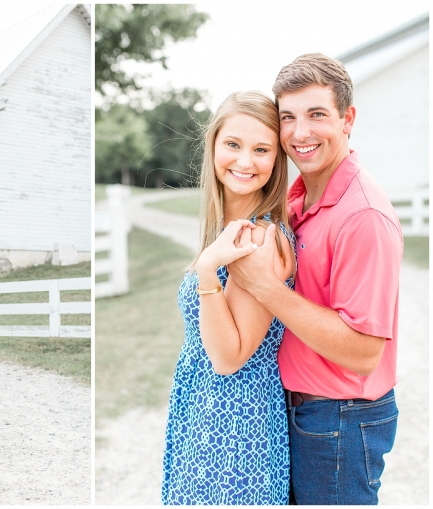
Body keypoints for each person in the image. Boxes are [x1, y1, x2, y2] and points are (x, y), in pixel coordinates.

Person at [228, 53, 402, 505]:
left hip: (340, 419)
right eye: (288, 118)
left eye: (317, 115)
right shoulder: (300, 196)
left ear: (348, 119)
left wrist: (266, 287)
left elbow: (364, 353)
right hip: (306, 411)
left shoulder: (363, 216)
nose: (300, 133)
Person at [162, 91, 296, 505]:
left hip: (235, 427)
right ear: (214, 145)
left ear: (276, 160)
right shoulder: (229, 228)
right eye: (233, 145)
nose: (244, 161)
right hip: (202, 413)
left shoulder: (258, 238)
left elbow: (229, 357)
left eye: (261, 149)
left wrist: (206, 270)